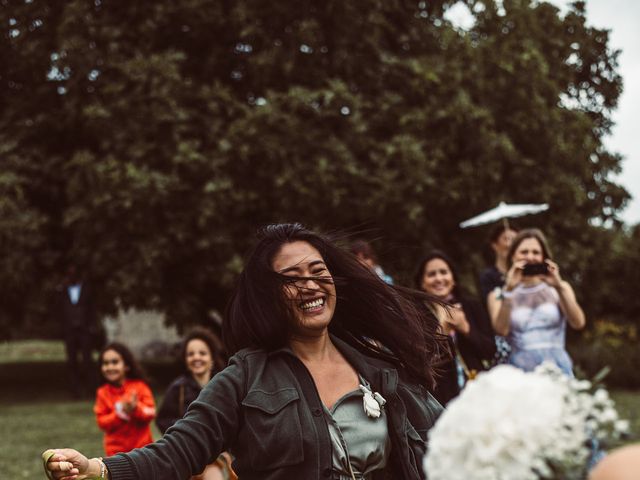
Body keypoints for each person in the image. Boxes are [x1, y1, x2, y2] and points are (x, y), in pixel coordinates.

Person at [44, 223, 444, 480]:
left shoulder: (379, 371)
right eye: (292, 279)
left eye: (319, 273)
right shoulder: (244, 379)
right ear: (269, 296)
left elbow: (449, 437)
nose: (311, 286)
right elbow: (178, 451)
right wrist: (98, 469)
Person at [488, 229, 586, 375]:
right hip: (521, 370)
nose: (530, 257)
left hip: (557, 367)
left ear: (543, 256)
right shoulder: (497, 294)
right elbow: (502, 330)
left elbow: (578, 323)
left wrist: (558, 286)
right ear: (513, 255)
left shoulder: (560, 287)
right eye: (524, 252)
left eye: (535, 252)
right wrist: (508, 291)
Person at [415, 251, 496, 406]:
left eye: (444, 272)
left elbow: (490, 351)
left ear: (453, 279)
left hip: (479, 391)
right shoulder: (417, 315)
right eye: (431, 274)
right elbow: (421, 364)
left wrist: (466, 328)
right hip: (441, 398)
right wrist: (442, 329)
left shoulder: (471, 306)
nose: (439, 278)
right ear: (422, 283)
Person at [156, 328, 235, 480]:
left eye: (202, 353)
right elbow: (162, 420)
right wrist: (184, 432)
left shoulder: (224, 386)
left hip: (221, 456)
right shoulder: (178, 388)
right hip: (189, 455)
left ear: (212, 357)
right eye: (191, 354)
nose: (196, 357)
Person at [95, 342, 156, 456]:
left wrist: (135, 408)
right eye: (106, 363)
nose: (110, 367)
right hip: (115, 453)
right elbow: (101, 422)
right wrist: (119, 413)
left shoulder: (140, 386)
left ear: (127, 366)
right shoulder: (102, 393)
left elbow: (151, 412)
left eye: (115, 362)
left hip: (142, 450)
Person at [54, 264, 99, 398]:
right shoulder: (62, 290)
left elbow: (92, 309)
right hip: (70, 331)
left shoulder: (87, 289)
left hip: (84, 330)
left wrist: (91, 326)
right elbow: (58, 310)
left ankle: (90, 389)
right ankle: (74, 390)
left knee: (87, 360)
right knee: (72, 361)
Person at [478, 224, 518, 304]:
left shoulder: (524, 271)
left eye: (515, 240)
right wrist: (509, 287)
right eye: (506, 239)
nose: (510, 244)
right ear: (494, 245)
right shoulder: (489, 277)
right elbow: (497, 300)